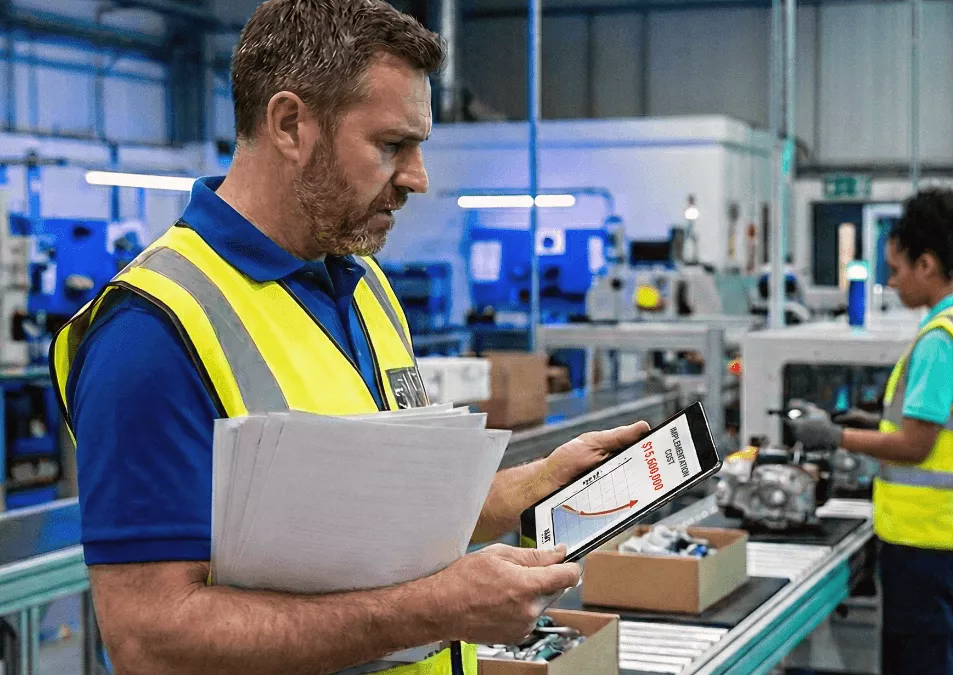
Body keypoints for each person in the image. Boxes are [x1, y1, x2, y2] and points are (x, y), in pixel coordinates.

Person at [48, 2, 650, 674]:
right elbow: (150, 640)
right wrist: (436, 607)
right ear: (289, 123)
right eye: (392, 145)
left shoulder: (362, 284)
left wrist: (535, 484)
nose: (418, 178)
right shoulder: (151, 332)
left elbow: (383, 520)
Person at [788, 188, 953, 675]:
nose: (892, 279)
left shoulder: (940, 341)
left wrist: (834, 437)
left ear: (926, 265)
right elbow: (936, 427)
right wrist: (872, 425)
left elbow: (915, 445)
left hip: (929, 540)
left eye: (897, 267)